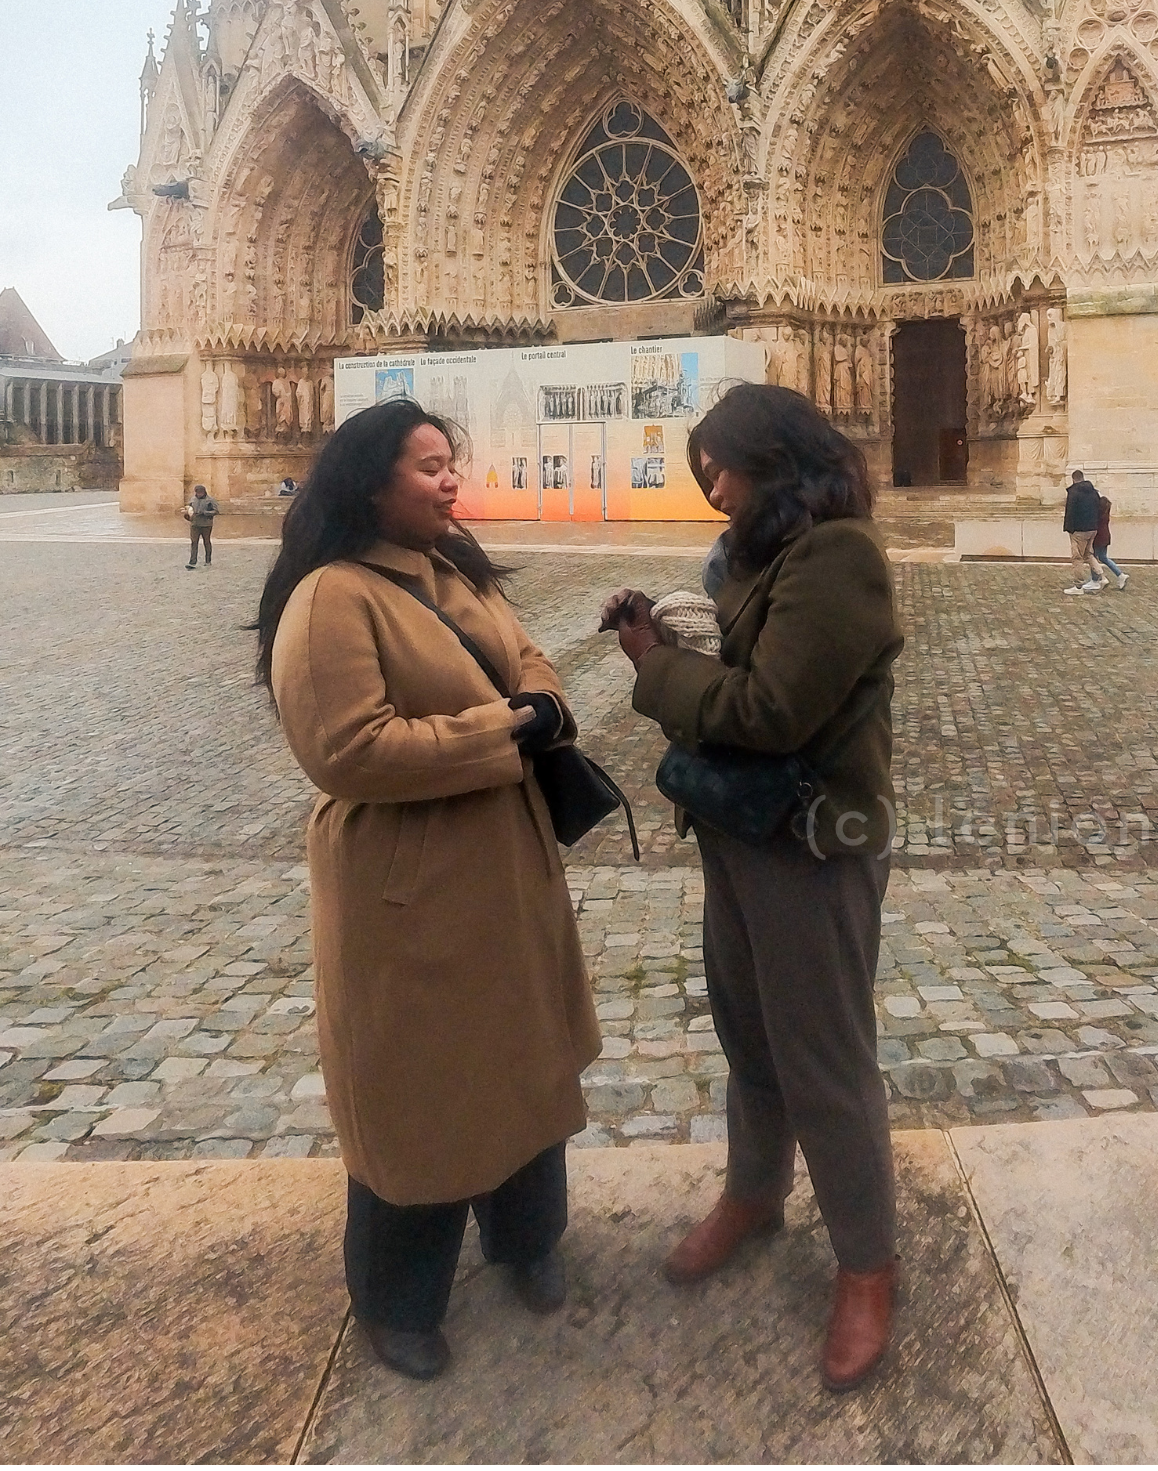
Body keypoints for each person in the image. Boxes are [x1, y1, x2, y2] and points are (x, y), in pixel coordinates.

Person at [254, 399, 599, 1383]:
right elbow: (347, 750)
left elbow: (528, 660)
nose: (452, 482)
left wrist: (543, 704)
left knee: (523, 1064)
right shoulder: (331, 597)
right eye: (430, 466)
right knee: (418, 1091)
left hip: (505, 866)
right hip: (409, 890)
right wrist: (507, 731)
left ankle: (527, 1240)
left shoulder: (455, 569)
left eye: (453, 463)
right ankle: (398, 1298)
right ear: (371, 483)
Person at [599, 383, 905, 1393]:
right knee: (749, 1035)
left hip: (812, 843)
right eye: (704, 473)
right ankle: (754, 1193)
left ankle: (866, 1263)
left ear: (776, 459)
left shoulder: (837, 556)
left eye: (721, 468)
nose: (712, 488)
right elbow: (736, 669)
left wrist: (653, 664)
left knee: (824, 1055)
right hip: (740, 832)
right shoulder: (751, 554)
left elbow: (771, 709)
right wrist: (672, 629)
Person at [1062, 468, 1104, 594]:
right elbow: (1099, 508)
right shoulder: (1094, 492)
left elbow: (1070, 512)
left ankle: (1078, 586)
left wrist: (1069, 529)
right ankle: (1101, 576)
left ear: (1073, 479)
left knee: (1077, 558)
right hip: (1092, 528)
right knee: (1088, 554)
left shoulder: (1074, 492)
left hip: (1079, 530)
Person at [1092, 489, 1129, 588]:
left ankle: (1097, 579)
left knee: (1093, 557)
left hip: (1098, 536)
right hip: (1105, 535)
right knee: (1103, 557)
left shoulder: (1098, 510)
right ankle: (1119, 575)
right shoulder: (1105, 508)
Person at [184, 485, 218, 568]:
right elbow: (189, 509)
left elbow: (216, 511)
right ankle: (192, 561)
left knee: (206, 542)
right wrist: (187, 515)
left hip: (206, 524)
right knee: (194, 542)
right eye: (198, 493)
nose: (199, 494)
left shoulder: (210, 500)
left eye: (201, 493)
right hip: (195, 524)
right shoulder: (193, 500)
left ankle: (208, 560)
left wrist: (205, 513)